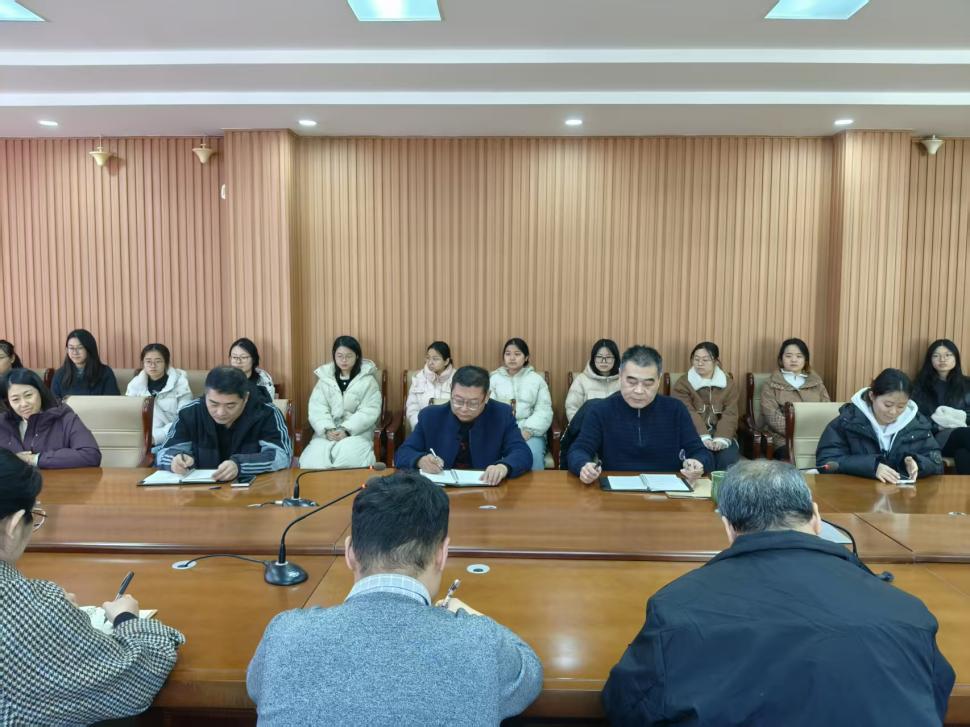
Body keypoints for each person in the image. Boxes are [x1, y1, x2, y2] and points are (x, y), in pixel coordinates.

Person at [602, 460, 954, 726]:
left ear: (728, 527)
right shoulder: (907, 611)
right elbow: (934, 697)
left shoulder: (676, 607)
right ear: (816, 518)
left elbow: (626, 706)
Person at [247, 471, 543, 725]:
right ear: (442, 554)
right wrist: (469, 616)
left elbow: (257, 688)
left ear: (350, 553)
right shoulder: (481, 642)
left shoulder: (284, 634)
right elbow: (529, 675)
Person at [0, 450, 185, 723]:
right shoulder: (23, 609)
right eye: (35, 516)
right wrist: (126, 619)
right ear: (14, 525)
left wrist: (47, 612)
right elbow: (138, 679)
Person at [567, 346, 712, 483]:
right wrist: (583, 465)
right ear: (620, 376)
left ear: (659, 379)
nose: (639, 391)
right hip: (614, 489)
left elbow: (701, 452)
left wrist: (698, 463)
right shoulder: (601, 410)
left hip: (667, 491)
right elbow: (579, 450)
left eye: (648, 384)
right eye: (631, 382)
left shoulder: (675, 409)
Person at [395, 365, 532, 486]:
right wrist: (420, 460)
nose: (464, 409)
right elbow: (403, 453)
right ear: (451, 391)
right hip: (439, 492)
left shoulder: (501, 415)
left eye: (473, 403)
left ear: (487, 397)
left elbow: (522, 452)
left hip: (486, 488)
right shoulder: (431, 416)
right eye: (458, 401)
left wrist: (503, 467)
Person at [155, 366, 291, 480]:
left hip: (254, 491)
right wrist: (175, 459)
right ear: (206, 395)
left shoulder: (266, 413)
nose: (220, 412)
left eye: (230, 405)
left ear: (245, 398)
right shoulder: (190, 413)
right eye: (213, 404)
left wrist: (240, 465)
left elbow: (281, 456)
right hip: (200, 494)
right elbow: (163, 453)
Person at [816, 368, 944, 483]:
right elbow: (826, 462)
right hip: (857, 494)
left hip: (902, 497)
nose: (893, 412)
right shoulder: (847, 422)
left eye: (901, 406)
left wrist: (918, 464)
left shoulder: (917, 425)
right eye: (888, 405)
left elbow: (936, 462)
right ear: (872, 396)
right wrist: (872, 467)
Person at [299, 336, 383, 469]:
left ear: (357, 356)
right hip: (327, 434)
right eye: (340, 356)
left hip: (357, 433)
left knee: (348, 461)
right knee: (311, 462)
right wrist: (327, 429)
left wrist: (346, 430)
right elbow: (317, 409)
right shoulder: (324, 379)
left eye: (349, 356)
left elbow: (369, 411)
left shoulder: (368, 381)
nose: (344, 360)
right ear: (334, 356)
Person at [0, 369, 101, 468]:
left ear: (40, 392)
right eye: (15, 399)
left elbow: (91, 455)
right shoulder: (3, 423)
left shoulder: (65, 417)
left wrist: (33, 459)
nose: (23, 404)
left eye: (28, 395)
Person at [670, 341, 741, 470]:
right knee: (702, 460)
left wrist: (721, 439)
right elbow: (687, 412)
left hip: (722, 433)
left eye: (705, 360)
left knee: (727, 461)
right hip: (692, 434)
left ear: (716, 361)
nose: (700, 363)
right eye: (696, 359)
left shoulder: (728, 384)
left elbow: (730, 414)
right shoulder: (683, 384)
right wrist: (703, 437)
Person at [761, 337, 831, 459]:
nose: (794, 360)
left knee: (829, 456)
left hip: (815, 436)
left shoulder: (816, 382)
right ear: (781, 359)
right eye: (788, 356)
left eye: (799, 356)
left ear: (805, 360)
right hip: (783, 437)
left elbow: (826, 409)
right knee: (790, 457)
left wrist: (812, 432)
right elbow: (771, 415)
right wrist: (797, 431)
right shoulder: (770, 383)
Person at [489, 338, 553, 471]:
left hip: (530, 433)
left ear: (526, 357)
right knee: (492, 457)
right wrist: (501, 432)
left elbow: (544, 410)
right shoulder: (494, 379)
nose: (512, 358)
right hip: (501, 432)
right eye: (508, 354)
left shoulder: (536, 380)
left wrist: (528, 431)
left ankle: (535, 486)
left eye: (517, 354)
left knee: (533, 455)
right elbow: (489, 409)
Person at [912, 339, 970, 473]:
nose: (942, 359)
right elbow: (916, 418)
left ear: (956, 358)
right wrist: (937, 426)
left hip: (963, 433)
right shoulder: (919, 387)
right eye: (936, 355)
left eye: (948, 355)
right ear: (930, 360)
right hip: (935, 437)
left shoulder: (967, 385)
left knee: (963, 454)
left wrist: (958, 419)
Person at [125, 343, 193, 445]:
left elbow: (184, 418)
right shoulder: (135, 385)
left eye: (158, 361)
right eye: (148, 361)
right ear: (143, 363)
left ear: (166, 363)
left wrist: (156, 437)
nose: (153, 365)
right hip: (141, 440)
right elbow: (128, 415)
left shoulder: (180, 383)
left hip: (172, 438)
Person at [51, 329, 120, 398]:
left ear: (89, 349)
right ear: (67, 350)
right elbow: (53, 402)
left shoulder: (105, 373)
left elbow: (113, 401)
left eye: (80, 348)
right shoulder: (59, 374)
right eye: (71, 348)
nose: (75, 352)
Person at [564, 338, 621, 422]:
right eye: (599, 357)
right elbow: (571, 408)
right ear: (593, 358)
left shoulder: (624, 381)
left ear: (615, 359)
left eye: (608, 357)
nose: (603, 361)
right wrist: (583, 427)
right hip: (588, 428)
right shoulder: (581, 380)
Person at [405, 341, 455, 430]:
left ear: (446, 361)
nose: (430, 362)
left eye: (435, 359)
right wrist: (420, 427)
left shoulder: (458, 379)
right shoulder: (419, 378)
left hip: (450, 429)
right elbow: (412, 408)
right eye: (428, 358)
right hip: (423, 429)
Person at [228, 337, 276, 403]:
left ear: (254, 359)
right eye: (234, 357)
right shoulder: (224, 377)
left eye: (244, 357)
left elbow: (268, 405)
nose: (238, 361)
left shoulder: (263, 379)